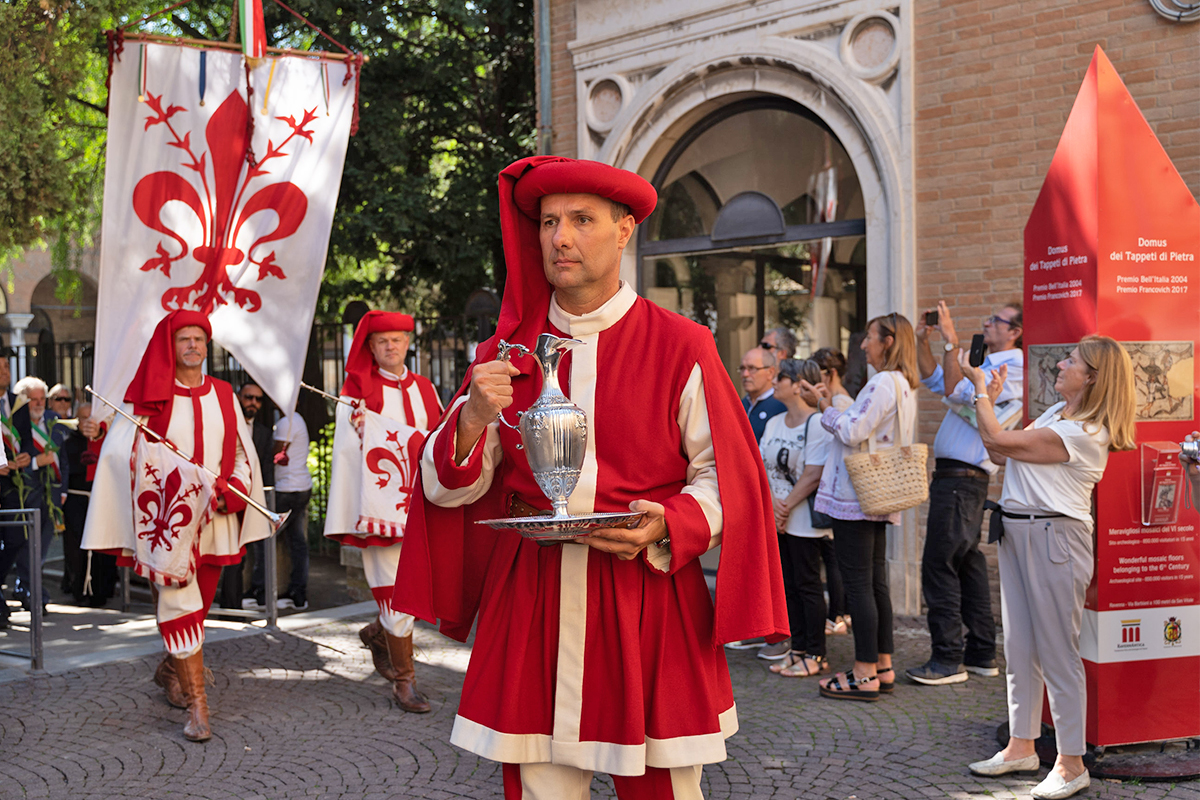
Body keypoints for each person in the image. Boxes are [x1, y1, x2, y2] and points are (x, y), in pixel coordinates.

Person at [393, 156, 787, 799]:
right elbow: (447, 487)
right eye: (549, 222)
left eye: (581, 220)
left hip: (646, 596)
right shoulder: (505, 355)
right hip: (534, 596)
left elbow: (726, 476)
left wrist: (672, 522)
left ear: (625, 229)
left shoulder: (682, 344)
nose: (560, 238)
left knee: (662, 791)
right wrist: (470, 417)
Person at [81, 310, 269, 743]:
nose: (192, 346)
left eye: (199, 339)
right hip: (167, 523)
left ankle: (171, 668)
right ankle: (198, 704)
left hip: (216, 517)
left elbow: (242, 455)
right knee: (181, 605)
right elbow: (119, 453)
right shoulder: (150, 396)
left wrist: (231, 489)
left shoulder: (224, 394)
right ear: (171, 346)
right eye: (184, 338)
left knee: (199, 608)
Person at [962, 336, 1135, 800]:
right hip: (1020, 532)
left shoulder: (1083, 432)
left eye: (1071, 361)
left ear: (1092, 377)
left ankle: (1072, 762)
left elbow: (997, 439)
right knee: (1019, 646)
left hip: (1054, 538)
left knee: (1058, 653)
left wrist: (980, 389)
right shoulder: (1057, 415)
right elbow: (1001, 452)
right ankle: (1022, 746)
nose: (1060, 364)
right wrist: (990, 400)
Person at [324, 310, 444, 713]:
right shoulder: (356, 394)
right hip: (378, 511)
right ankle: (404, 682)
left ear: (408, 343)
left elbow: (439, 441)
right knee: (396, 594)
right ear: (370, 348)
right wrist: (359, 428)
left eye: (397, 340)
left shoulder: (426, 389)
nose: (391, 347)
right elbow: (347, 454)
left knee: (420, 591)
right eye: (382, 342)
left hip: (420, 508)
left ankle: (379, 634)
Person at [802, 313, 919, 702]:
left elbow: (853, 430)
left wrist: (822, 405)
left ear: (887, 342)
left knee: (859, 586)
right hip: (879, 491)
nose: (863, 345)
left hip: (857, 494)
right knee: (875, 583)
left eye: (869, 338)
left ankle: (864, 672)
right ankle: (881, 664)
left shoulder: (883, 381)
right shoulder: (903, 384)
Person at [908, 302, 1024, 686]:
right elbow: (937, 380)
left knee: (938, 564)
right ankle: (981, 653)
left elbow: (957, 392)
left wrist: (952, 344)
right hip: (957, 478)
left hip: (964, 478)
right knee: (968, 563)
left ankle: (946, 659)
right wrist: (928, 342)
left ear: (1016, 331)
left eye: (998, 320)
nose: (988, 323)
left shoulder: (1014, 366)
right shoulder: (984, 364)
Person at [759, 358, 832, 675]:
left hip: (803, 518)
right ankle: (797, 648)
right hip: (777, 516)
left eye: (782, 377)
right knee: (787, 586)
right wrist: (773, 505)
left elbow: (814, 473)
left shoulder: (816, 423)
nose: (774, 381)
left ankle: (815, 654)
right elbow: (760, 465)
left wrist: (785, 505)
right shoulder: (775, 422)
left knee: (808, 585)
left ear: (800, 384)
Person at [10, 376, 69, 611]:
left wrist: (62, 491)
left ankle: (27, 589)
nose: (38, 403)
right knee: (27, 547)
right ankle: (33, 594)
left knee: (42, 547)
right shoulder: (15, 423)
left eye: (42, 399)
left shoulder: (54, 420)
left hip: (52, 496)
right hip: (26, 493)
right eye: (33, 399)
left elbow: (62, 459)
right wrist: (35, 463)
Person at [810, 347, 852, 636]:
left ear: (831, 373)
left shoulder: (841, 402)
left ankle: (838, 613)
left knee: (834, 556)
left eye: (819, 373)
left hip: (838, 485)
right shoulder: (829, 400)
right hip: (830, 485)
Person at [237, 380, 275, 611]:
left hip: (257, 498)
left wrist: (268, 500)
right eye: (248, 397)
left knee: (261, 549)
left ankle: (259, 591)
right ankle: (234, 596)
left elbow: (267, 467)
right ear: (239, 397)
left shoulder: (263, 432)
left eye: (258, 399)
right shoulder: (228, 424)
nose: (253, 403)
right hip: (233, 497)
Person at [272, 408, 313, 610]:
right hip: (301, 485)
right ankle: (298, 593)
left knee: (266, 540)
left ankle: (262, 591)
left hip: (287, 489)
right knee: (297, 542)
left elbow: (274, 452)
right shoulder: (298, 418)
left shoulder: (286, 422)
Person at [0, 356, 27, 629]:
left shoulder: (18, 403)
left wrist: (26, 456)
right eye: (1, 368)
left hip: (14, 486)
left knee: (17, 538)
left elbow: (27, 441)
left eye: (7, 367)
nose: (6, 372)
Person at [740, 346, 785, 442]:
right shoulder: (740, 405)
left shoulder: (781, 406)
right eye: (742, 368)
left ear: (770, 372)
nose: (745, 374)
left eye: (752, 368)